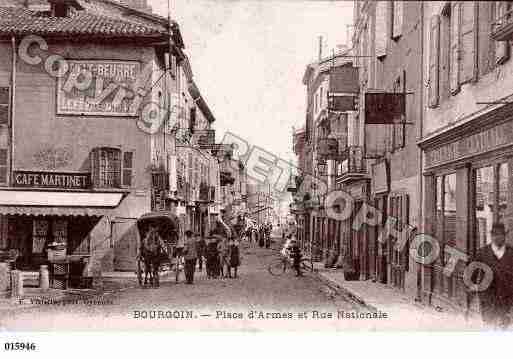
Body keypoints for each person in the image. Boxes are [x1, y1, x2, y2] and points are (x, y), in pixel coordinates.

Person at [473, 222, 513, 329]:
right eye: (495, 235)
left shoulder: (511, 253)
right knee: (489, 325)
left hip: (506, 298)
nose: (498, 237)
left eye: (501, 235)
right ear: (491, 236)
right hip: (487, 297)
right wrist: (475, 287)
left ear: (505, 236)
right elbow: (472, 272)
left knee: (504, 326)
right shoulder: (482, 253)